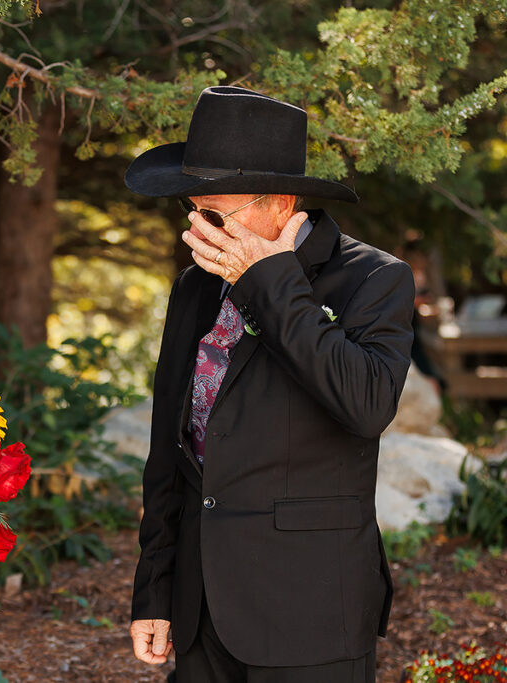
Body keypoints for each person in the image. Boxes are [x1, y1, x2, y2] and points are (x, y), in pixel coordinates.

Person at [124, 86, 414, 682]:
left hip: (309, 609)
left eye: (215, 214)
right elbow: (169, 449)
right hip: (201, 606)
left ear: (280, 205)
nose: (197, 230)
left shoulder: (374, 280)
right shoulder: (195, 288)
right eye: (192, 210)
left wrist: (270, 281)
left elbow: (365, 405)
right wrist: (154, 589)